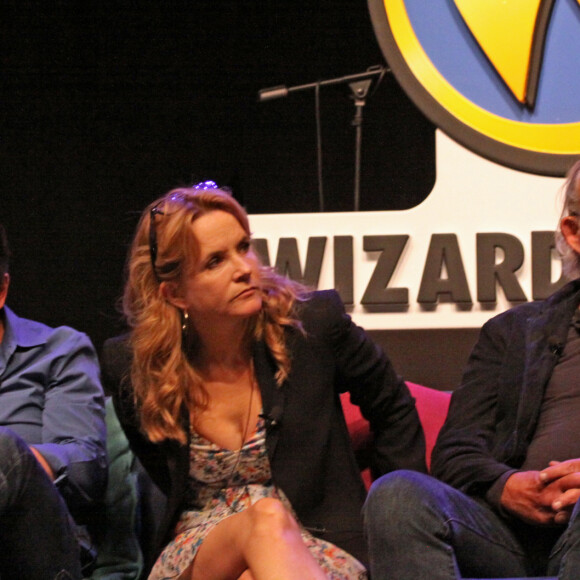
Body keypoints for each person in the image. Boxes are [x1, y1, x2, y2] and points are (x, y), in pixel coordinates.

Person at [101, 181, 426, 580]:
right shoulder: (133, 366)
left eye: (243, 247)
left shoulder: (312, 327)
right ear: (175, 294)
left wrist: (392, 532)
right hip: (202, 549)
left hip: (319, 543)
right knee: (265, 520)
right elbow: (163, 469)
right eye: (215, 262)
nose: (243, 269)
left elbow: (393, 407)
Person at [363, 160, 580, 580]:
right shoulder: (515, 333)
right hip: (515, 540)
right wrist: (505, 485)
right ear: (574, 232)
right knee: (397, 497)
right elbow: (455, 453)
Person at [0, 223, 107, 579]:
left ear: (2, 290)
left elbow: (85, 466)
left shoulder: (59, 352)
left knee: (5, 448)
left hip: (36, 551)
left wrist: (19, 463)